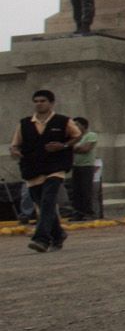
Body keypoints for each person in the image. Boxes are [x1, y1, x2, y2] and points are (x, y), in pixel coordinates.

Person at [12, 89, 79, 252]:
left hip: (55, 168)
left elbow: (76, 135)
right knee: (43, 205)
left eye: (42, 101)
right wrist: (15, 152)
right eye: (36, 101)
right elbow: (15, 145)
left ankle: (41, 239)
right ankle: (58, 234)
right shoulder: (25, 123)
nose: (39, 104)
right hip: (32, 170)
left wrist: (63, 146)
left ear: (51, 103)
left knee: (48, 201)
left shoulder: (63, 121)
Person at [68, 117, 98, 219]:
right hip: (76, 166)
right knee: (76, 191)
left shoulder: (91, 135)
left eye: (77, 124)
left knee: (86, 190)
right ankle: (78, 212)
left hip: (87, 166)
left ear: (84, 125)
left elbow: (86, 149)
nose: (75, 127)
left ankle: (88, 212)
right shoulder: (74, 137)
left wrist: (73, 148)